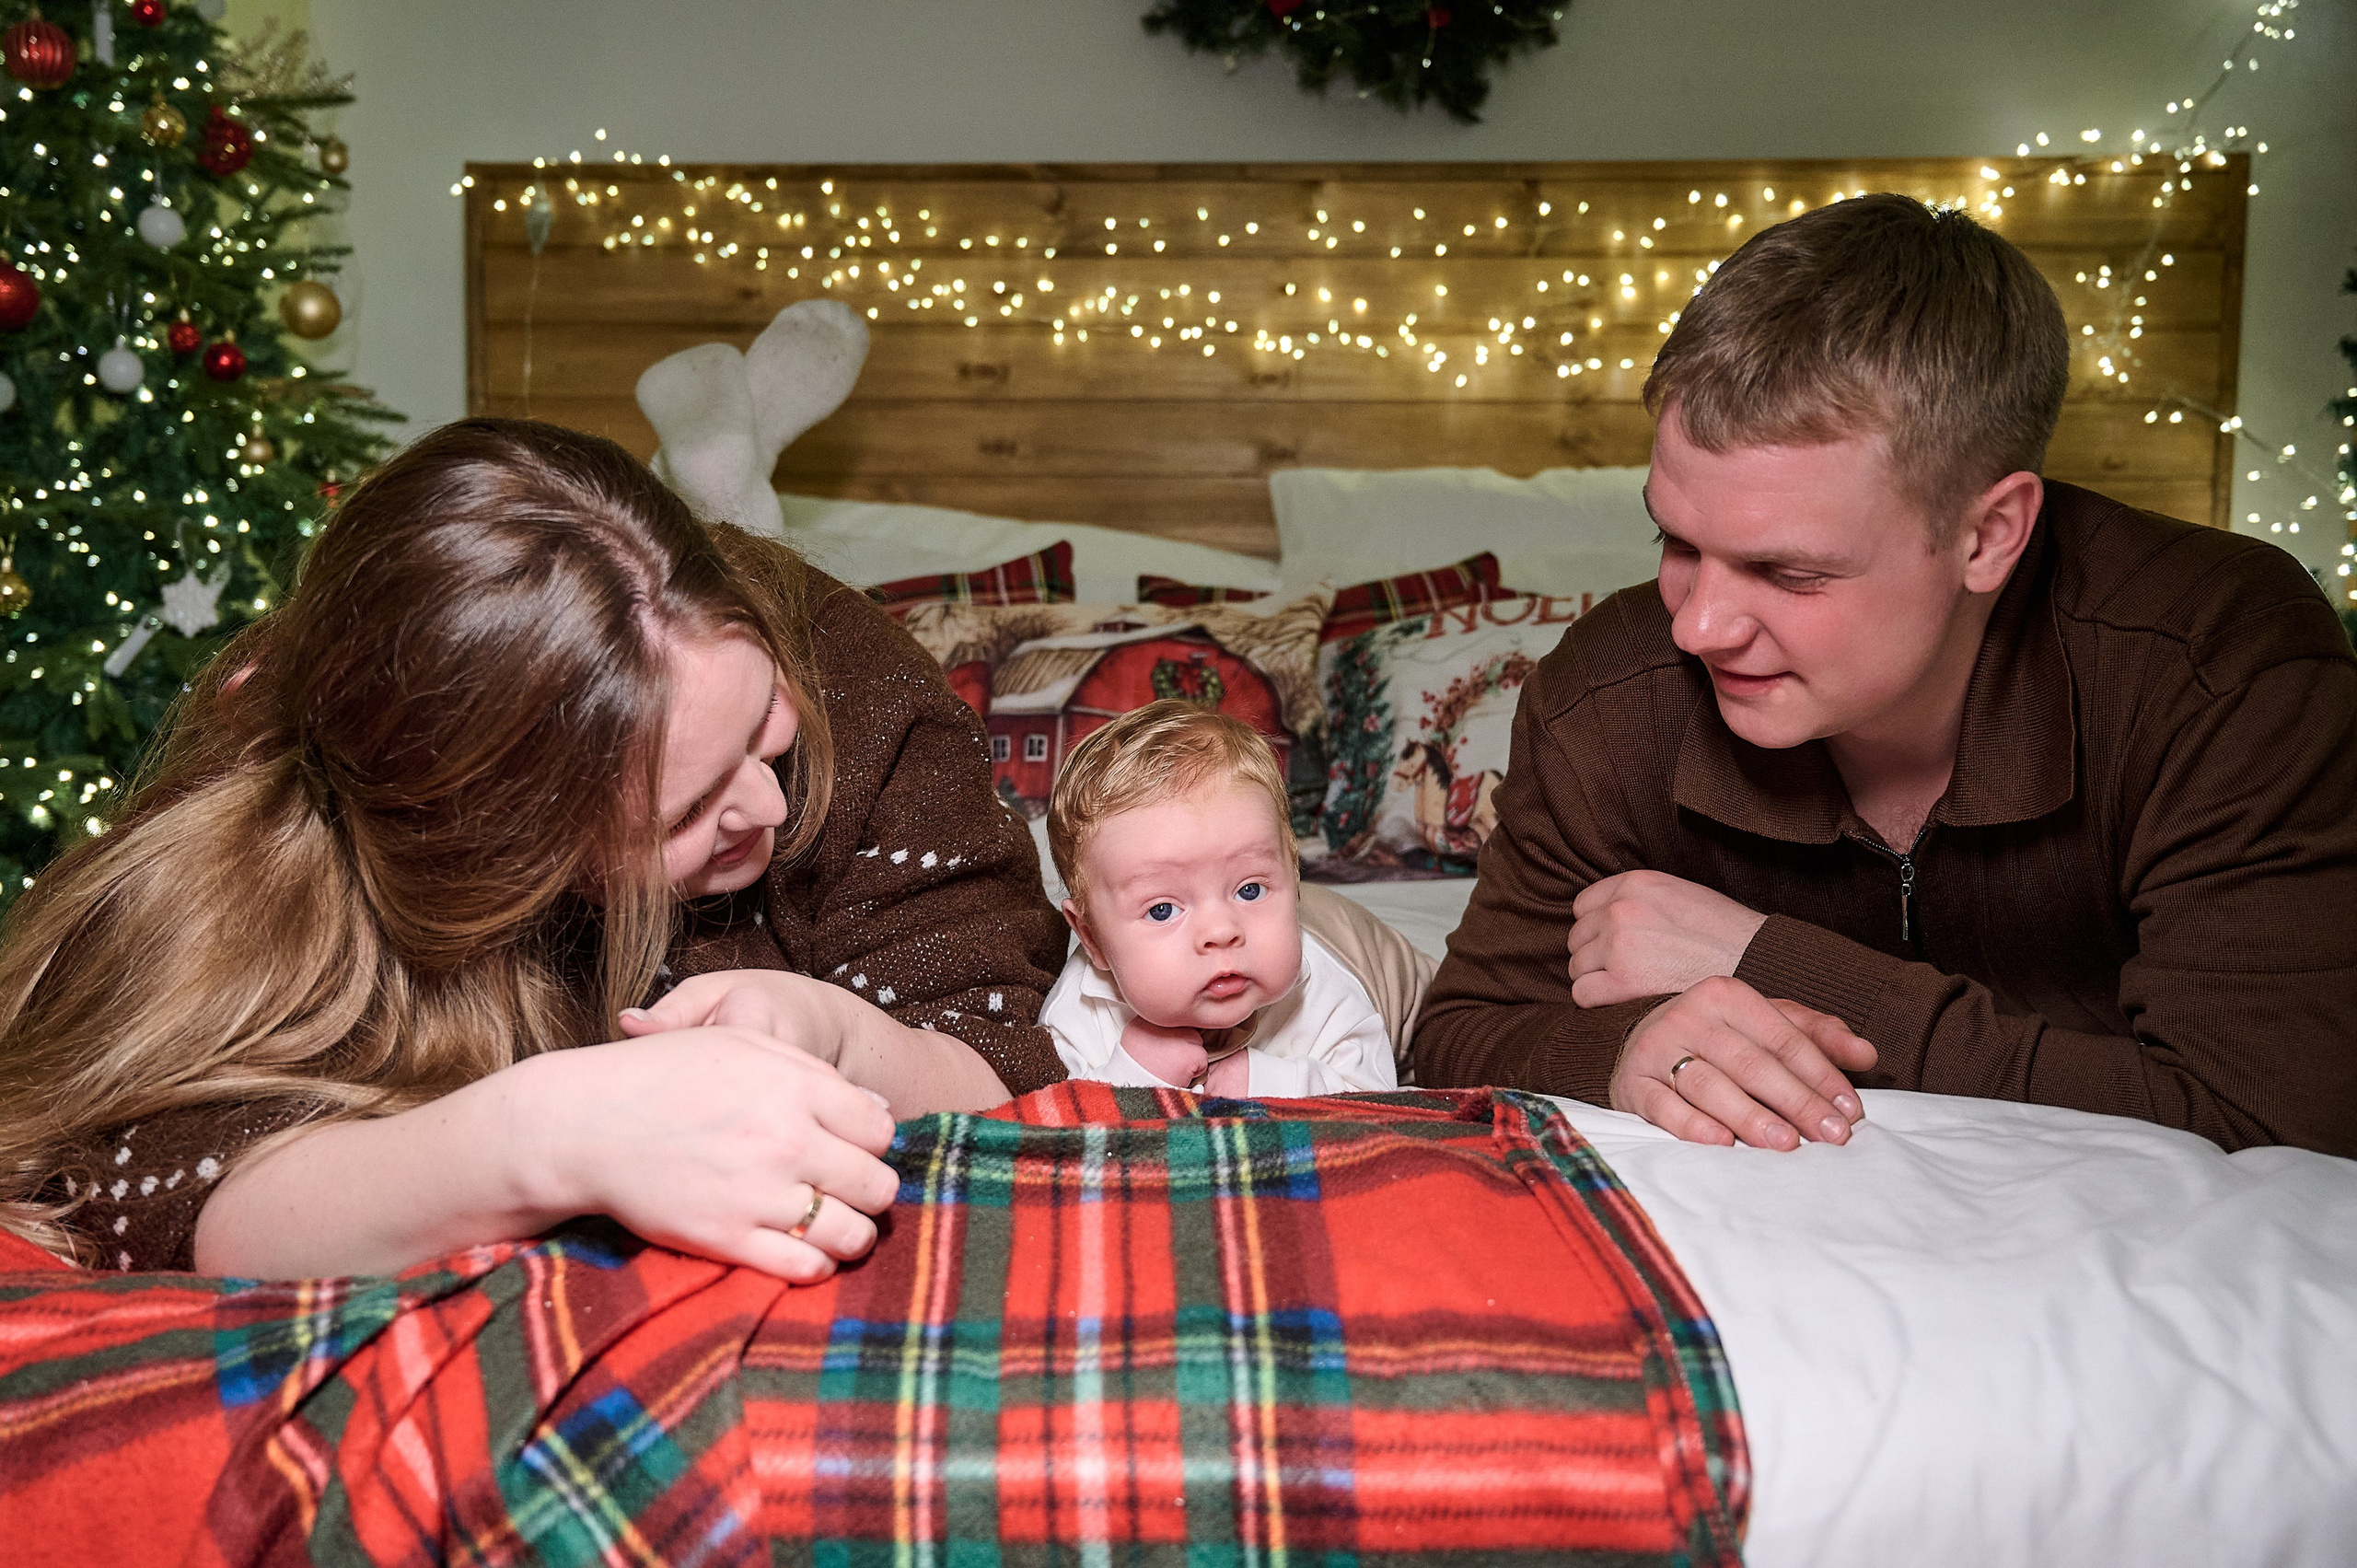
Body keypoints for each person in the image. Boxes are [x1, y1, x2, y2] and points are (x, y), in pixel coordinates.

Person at [0, 417, 1074, 1278]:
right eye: (686, 810)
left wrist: (837, 1034)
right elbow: (155, 1185)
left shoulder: (851, 675)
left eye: (767, 735)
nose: (765, 804)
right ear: (498, 854)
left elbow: (1005, 1049)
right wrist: (542, 1136)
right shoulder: (300, 798)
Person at [1416, 193, 2357, 1158]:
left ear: (1987, 535)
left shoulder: (2221, 663)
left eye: (1788, 572)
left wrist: (1769, 963)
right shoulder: (1607, 695)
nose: (1696, 624)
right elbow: (1454, 1036)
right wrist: (1617, 1047)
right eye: (1676, 539)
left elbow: (2280, 1120)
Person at [1030, 701, 1425, 1096]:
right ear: (1093, 938)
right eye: (1162, 910)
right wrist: (1132, 1078)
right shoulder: (1078, 1017)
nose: (1221, 932)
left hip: (1383, 962)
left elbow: (1374, 1101)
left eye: (1249, 890)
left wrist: (1271, 1084)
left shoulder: (1323, 992)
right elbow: (1067, 1120)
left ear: (1294, 877)